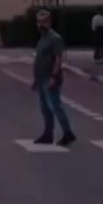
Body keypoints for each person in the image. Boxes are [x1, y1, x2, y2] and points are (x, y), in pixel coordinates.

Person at [32, 10, 75, 146]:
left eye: (44, 21)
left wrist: (54, 76)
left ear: (50, 22)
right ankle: (48, 134)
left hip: (50, 78)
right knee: (45, 109)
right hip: (41, 78)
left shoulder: (55, 38)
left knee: (55, 106)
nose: (41, 24)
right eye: (39, 22)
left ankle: (67, 133)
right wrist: (36, 80)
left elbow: (58, 59)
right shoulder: (42, 38)